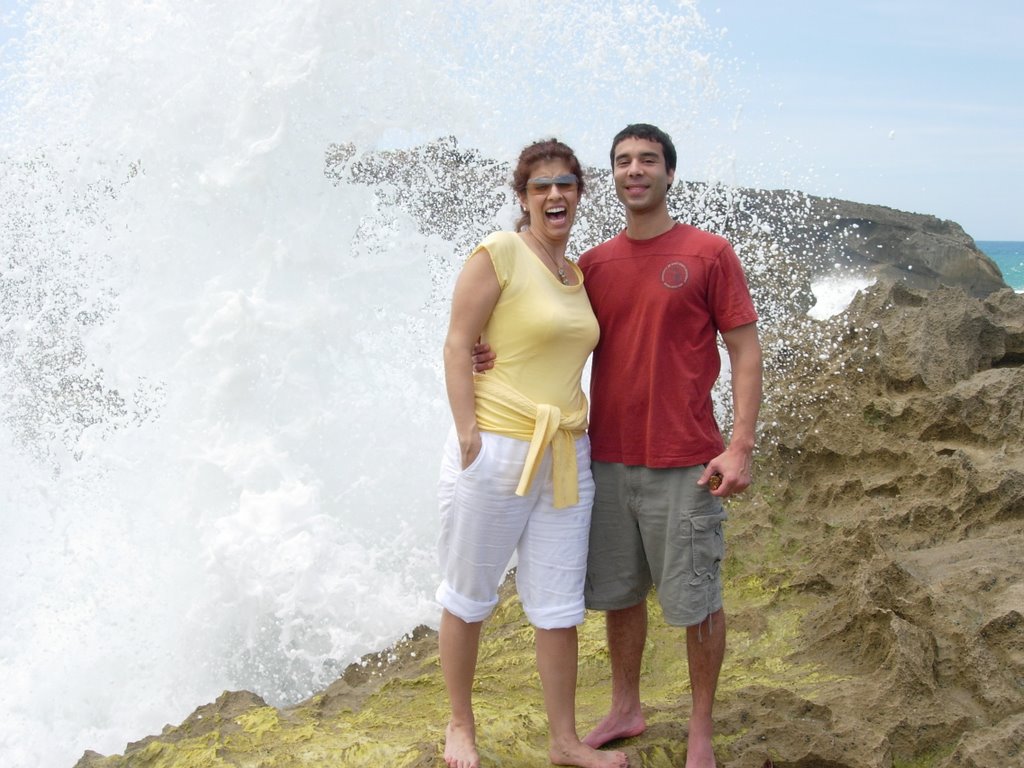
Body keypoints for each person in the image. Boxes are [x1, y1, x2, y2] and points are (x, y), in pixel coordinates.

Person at [475, 124, 763, 768]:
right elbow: (540, 327)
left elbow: (745, 351)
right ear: (612, 177)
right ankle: (626, 707)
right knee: (618, 593)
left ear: (668, 173)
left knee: (696, 600)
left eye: (648, 161)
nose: (636, 170)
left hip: (686, 459)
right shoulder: (592, 267)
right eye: (624, 161)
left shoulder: (710, 253)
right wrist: (478, 350)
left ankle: (700, 731)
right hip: (601, 459)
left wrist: (739, 445)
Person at [436, 138, 630, 768]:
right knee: (470, 593)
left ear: (579, 194)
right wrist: (468, 431)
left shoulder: (576, 275)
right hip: (497, 445)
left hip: (566, 455)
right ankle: (460, 725)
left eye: (566, 184)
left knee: (557, 607)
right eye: (542, 185)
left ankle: (564, 742)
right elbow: (458, 343)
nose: (555, 195)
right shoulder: (500, 253)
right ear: (522, 197)